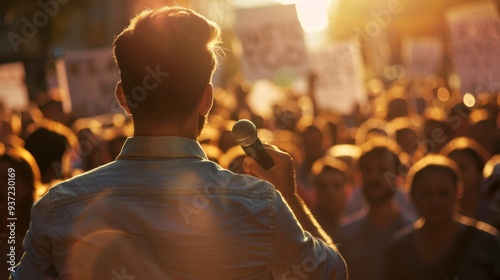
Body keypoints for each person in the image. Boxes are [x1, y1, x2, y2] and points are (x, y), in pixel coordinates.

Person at [11, 6, 346, 279]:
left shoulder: (58, 206)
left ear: (123, 97)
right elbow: (331, 273)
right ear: (207, 99)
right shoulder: (259, 205)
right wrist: (290, 197)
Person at [384, 155, 500, 280]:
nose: (435, 202)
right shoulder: (399, 250)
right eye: (426, 194)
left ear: (458, 193)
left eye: (443, 193)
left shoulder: (487, 243)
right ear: (412, 196)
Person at [336, 138, 414, 280]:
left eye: (383, 170)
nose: (374, 176)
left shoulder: (413, 234)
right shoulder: (345, 234)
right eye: (367, 169)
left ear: (398, 177)